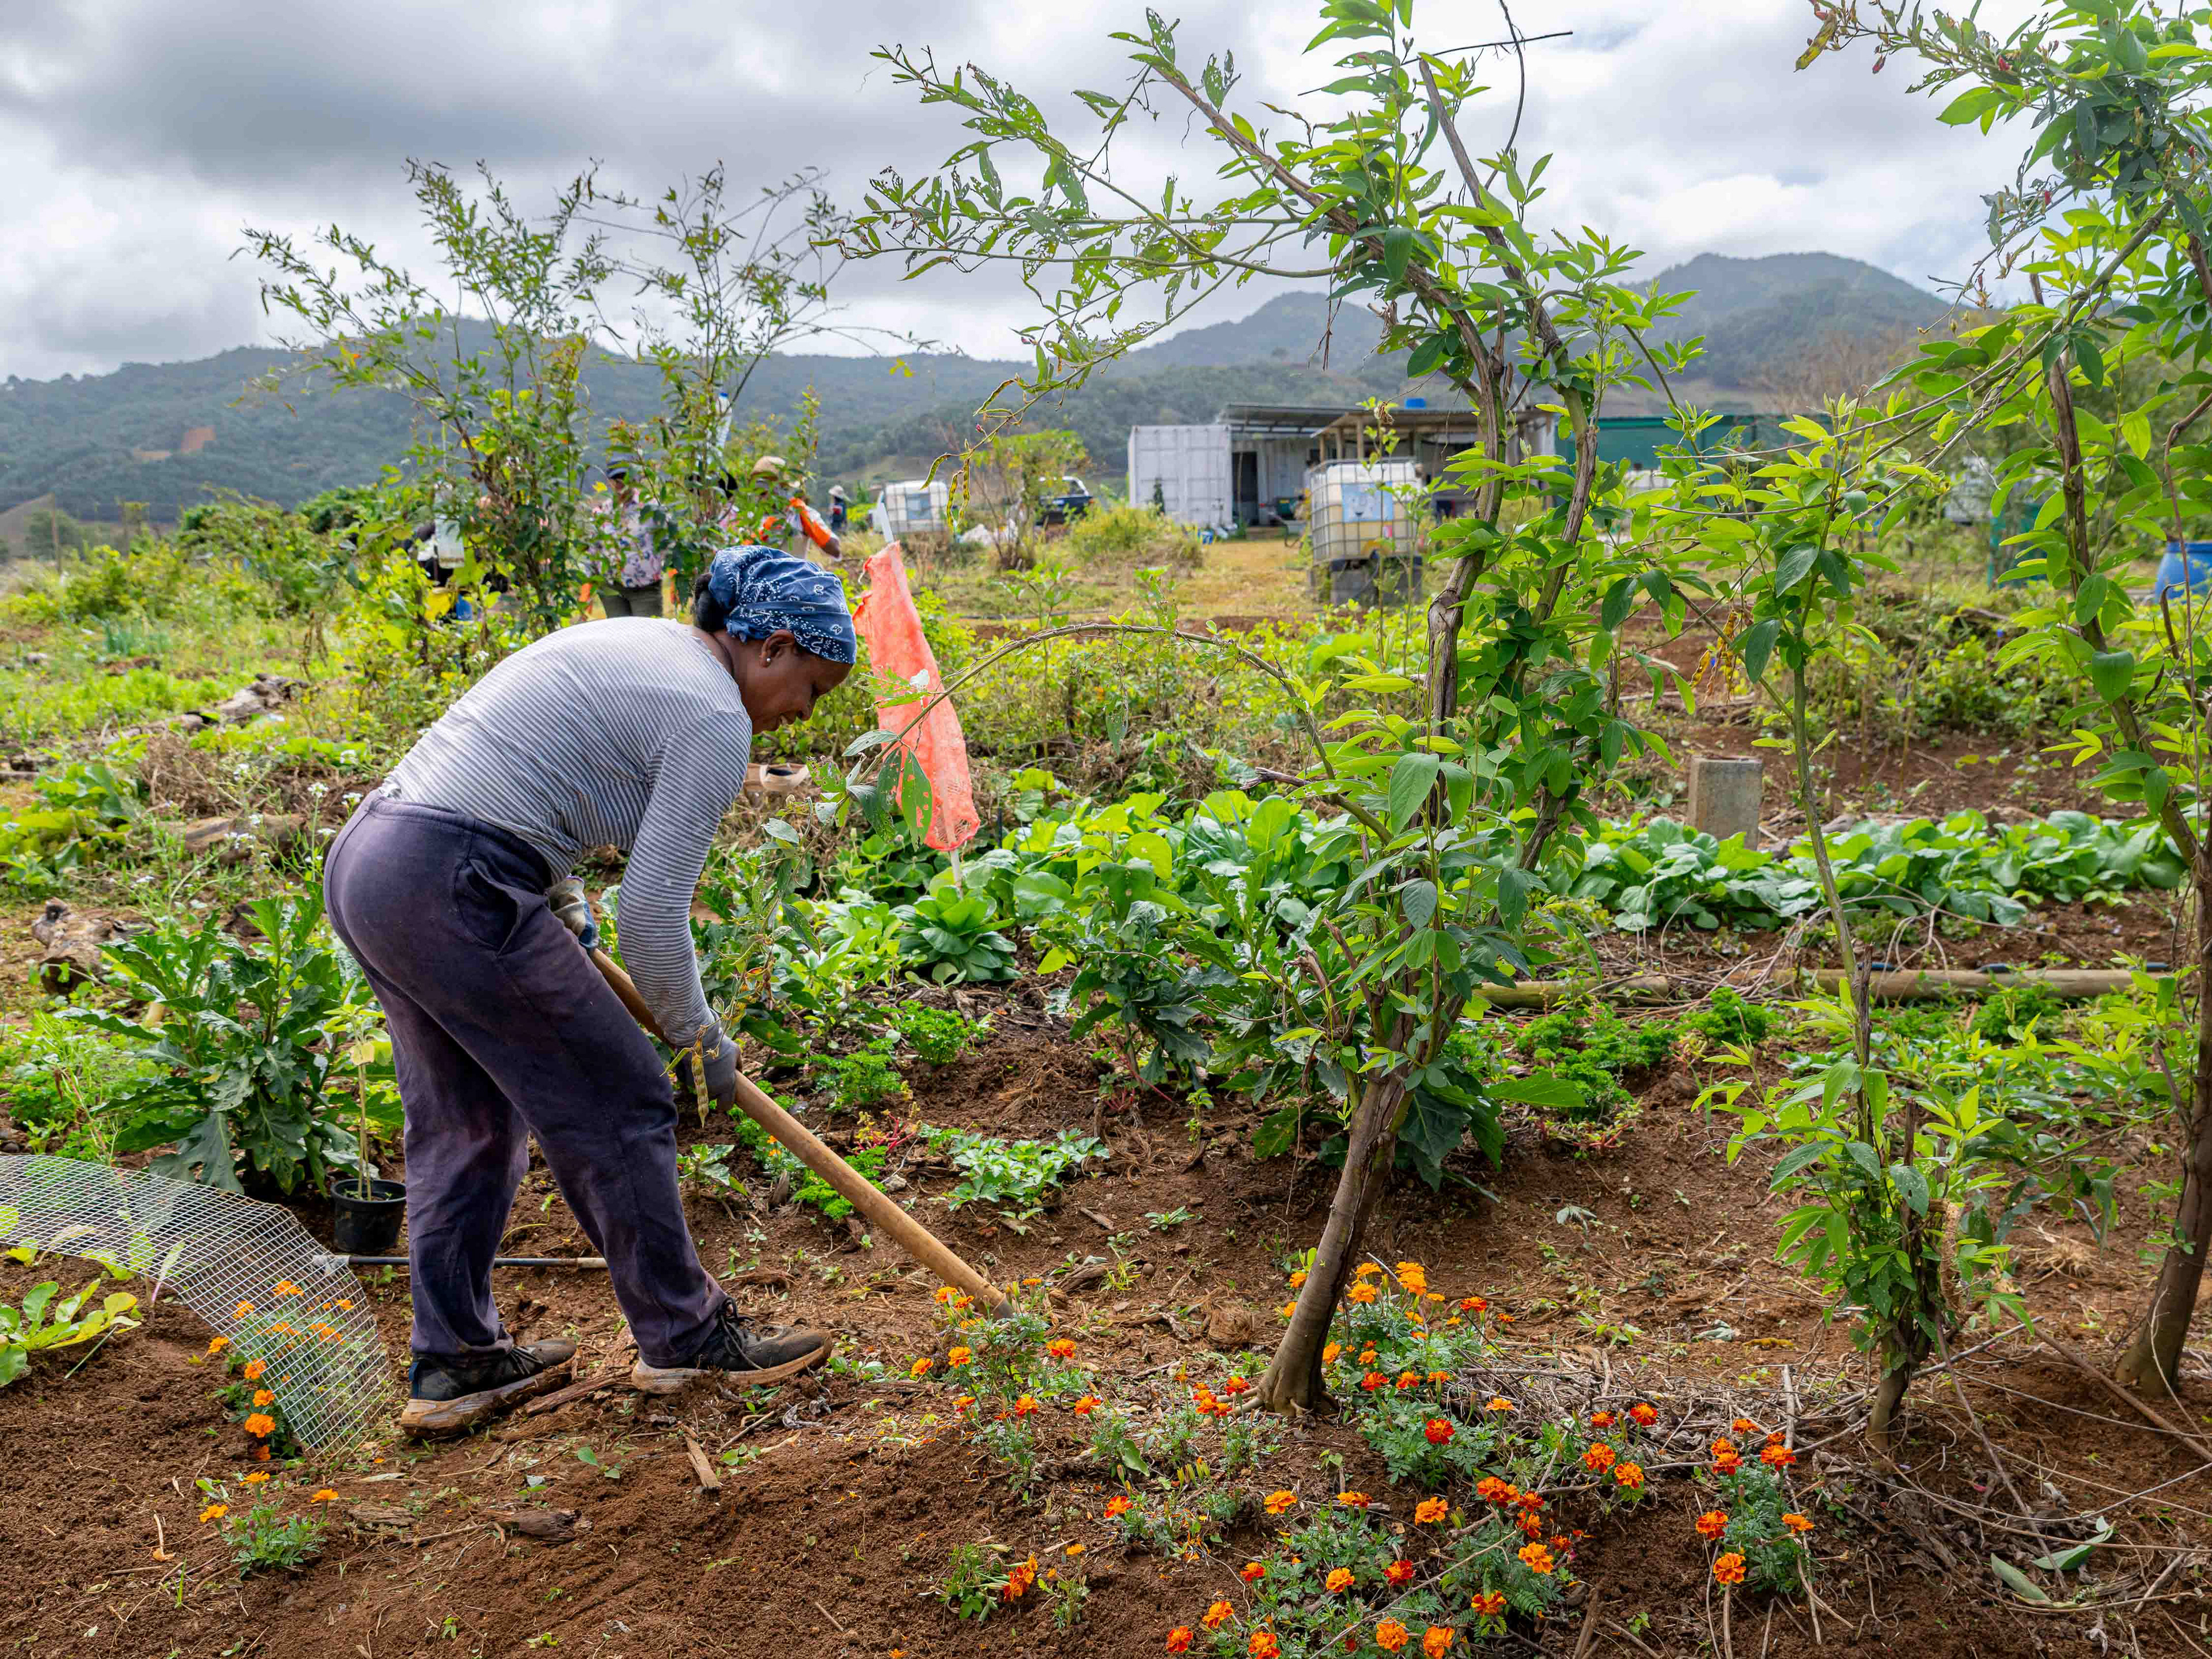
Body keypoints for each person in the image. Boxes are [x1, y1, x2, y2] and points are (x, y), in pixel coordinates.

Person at [324, 546, 858, 1434]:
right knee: (621, 1097)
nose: (802, 715)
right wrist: (698, 1037)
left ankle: (455, 1364)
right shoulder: (711, 715)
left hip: (378, 860)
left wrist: (564, 910)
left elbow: (535, 778)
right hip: (456, 877)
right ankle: (685, 1335)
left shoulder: (641, 646)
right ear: (769, 647)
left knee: (468, 1121)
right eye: (813, 686)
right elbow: (653, 913)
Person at [587, 467, 668, 618]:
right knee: (620, 638)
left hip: (645, 588)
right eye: (616, 480)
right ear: (609, 482)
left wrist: (675, 577)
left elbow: (669, 541)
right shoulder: (603, 512)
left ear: (634, 480)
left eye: (625, 478)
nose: (620, 484)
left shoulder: (652, 508)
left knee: (647, 637)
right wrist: (588, 588)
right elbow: (593, 549)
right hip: (612, 589)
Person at [752, 454, 843, 563]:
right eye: (757, 493)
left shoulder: (799, 513)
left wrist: (807, 522)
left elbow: (835, 550)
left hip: (794, 578)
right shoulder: (753, 520)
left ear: (782, 488)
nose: (760, 498)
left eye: (763, 493)